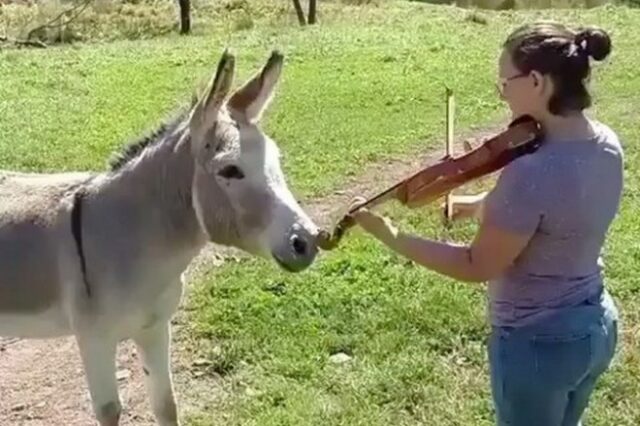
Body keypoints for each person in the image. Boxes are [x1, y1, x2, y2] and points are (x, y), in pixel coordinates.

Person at [349, 21, 623, 426]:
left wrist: (392, 236)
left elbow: (477, 264)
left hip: (538, 343)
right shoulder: (604, 143)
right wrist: (475, 205)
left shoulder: (531, 173)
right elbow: (558, 213)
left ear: (535, 82)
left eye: (504, 82)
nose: (502, 93)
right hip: (596, 325)